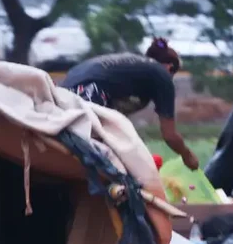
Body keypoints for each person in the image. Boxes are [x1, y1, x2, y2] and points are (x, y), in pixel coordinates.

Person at [60, 38, 200, 170]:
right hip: (88, 95)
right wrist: (187, 156)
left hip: (62, 94)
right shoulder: (162, 76)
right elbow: (169, 135)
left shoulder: (133, 66)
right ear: (170, 67)